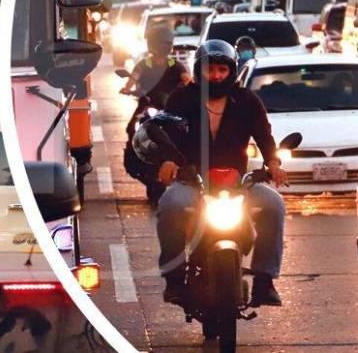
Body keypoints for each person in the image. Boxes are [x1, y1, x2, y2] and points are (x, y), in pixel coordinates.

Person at [155, 39, 289, 307]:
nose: (215, 75)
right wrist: (168, 162)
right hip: (192, 181)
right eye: (209, 70)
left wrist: (273, 163)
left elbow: (264, 136)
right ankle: (173, 278)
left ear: (231, 72)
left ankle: (265, 280)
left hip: (237, 183)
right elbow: (165, 134)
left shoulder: (247, 101)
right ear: (198, 71)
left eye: (221, 70)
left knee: (274, 204)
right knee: (169, 205)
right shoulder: (181, 98)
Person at [120, 25, 190, 132]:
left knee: (183, 126)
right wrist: (127, 88)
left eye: (166, 43)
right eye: (161, 43)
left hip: (169, 105)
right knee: (131, 128)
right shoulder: (144, 64)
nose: (164, 46)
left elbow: (187, 79)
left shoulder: (174, 64)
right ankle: (131, 147)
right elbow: (134, 77)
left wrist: (193, 87)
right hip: (147, 103)